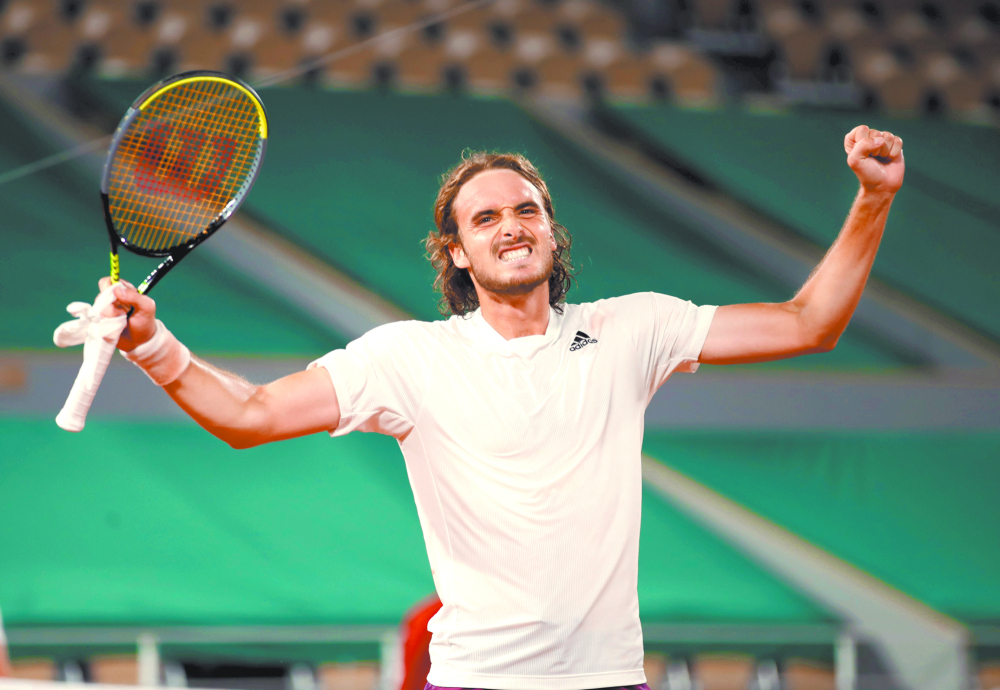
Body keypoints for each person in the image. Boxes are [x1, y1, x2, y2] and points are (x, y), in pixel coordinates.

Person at [100, 126, 903, 690]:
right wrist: (153, 347)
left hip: (609, 679)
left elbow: (810, 323)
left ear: (552, 230)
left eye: (526, 209)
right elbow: (253, 415)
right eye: (485, 218)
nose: (511, 226)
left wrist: (872, 199)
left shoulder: (634, 327)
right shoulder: (407, 356)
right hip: (476, 681)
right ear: (457, 251)